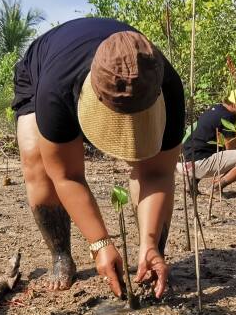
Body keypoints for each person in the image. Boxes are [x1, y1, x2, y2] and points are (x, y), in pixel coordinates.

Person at [12, 17, 184, 299]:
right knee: (38, 164)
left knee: (149, 165)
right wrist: (100, 244)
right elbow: (66, 176)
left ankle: (151, 254)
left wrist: (150, 242)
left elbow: (158, 173)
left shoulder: (166, 83)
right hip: (42, 71)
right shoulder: (56, 89)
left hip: (103, 68)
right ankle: (60, 256)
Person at [181, 89, 236, 189]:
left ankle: (192, 184)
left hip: (187, 160)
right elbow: (230, 149)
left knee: (208, 147)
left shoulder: (216, 108)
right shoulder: (229, 117)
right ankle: (216, 187)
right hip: (199, 164)